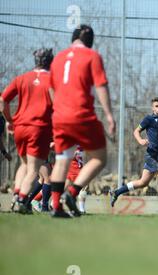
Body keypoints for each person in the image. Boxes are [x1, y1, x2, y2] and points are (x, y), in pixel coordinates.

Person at [49, 24, 116, 218]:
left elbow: (51, 88)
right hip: (81, 115)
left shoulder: (59, 58)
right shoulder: (92, 56)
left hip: (60, 117)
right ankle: (72, 193)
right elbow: (101, 85)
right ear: (91, 41)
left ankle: (56, 207)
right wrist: (109, 115)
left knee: (62, 160)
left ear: (72, 39)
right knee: (99, 158)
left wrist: (57, 109)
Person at [0, 48, 54, 214]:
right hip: (38, 128)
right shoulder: (52, 80)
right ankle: (22, 199)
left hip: (20, 127)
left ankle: (17, 195)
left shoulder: (21, 78)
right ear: (50, 62)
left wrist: (10, 120)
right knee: (33, 170)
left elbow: (3, 100)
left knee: (24, 164)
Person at [110, 97, 158, 207]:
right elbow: (136, 131)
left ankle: (116, 192)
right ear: (152, 108)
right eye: (156, 106)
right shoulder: (148, 119)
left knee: (143, 182)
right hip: (152, 154)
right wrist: (140, 141)